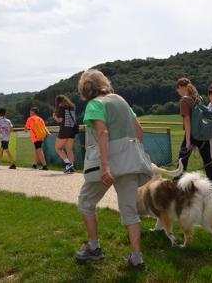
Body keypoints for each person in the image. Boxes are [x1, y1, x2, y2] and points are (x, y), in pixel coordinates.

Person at [75, 69, 151, 271]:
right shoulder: (121, 100)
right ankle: (136, 258)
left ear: (85, 88)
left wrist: (106, 166)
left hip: (107, 164)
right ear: (104, 83)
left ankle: (94, 248)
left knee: (86, 202)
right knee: (130, 211)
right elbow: (139, 131)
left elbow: (102, 133)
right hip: (130, 162)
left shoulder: (94, 105)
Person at [176, 78, 212, 205]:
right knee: (208, 164)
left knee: (182, 161)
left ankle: (176, 191)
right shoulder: (198, 98)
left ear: (182, 87)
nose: (178, 92)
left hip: (191, 135)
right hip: (203, 135)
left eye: (178, 89)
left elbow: (187, 120)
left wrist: (187, 140)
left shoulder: (184, 101)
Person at [53, 94, 78, 173]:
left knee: (58, 148)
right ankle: (71, 167)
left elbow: (60, 120)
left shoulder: (61, 107)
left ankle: (68, 164)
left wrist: (55, 117)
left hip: (65, 129)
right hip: (73, 129)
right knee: (69, 149)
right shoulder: (72, 107)